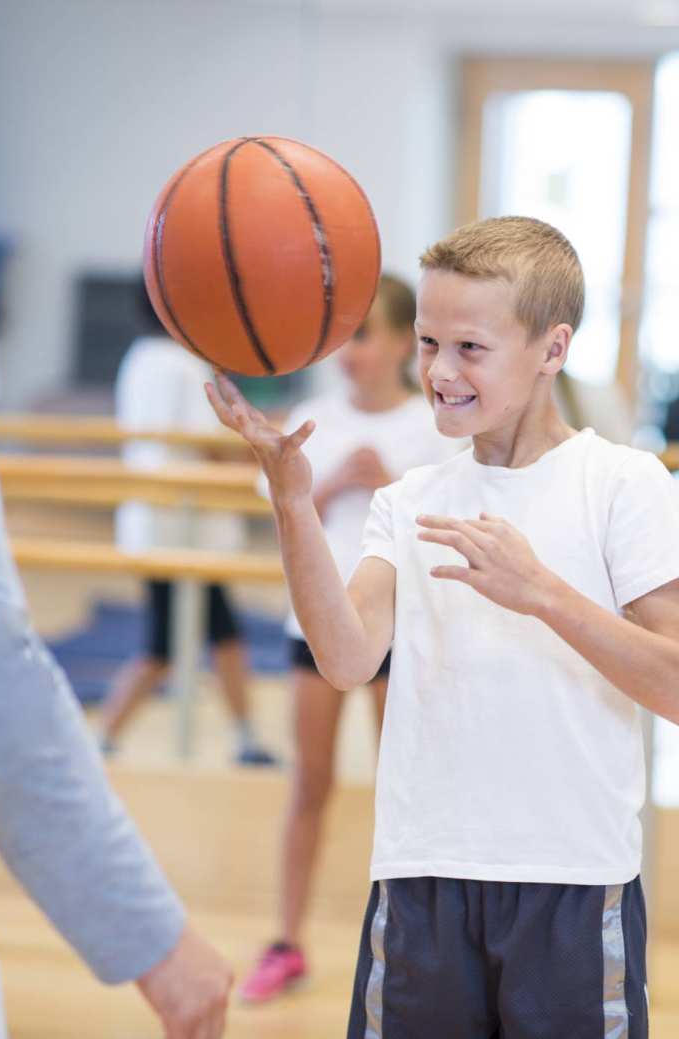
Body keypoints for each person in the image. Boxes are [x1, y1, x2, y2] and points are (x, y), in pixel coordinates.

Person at [209, 216, 679, 1038]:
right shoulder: (409, 500)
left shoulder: (623, 484)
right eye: (428, 342)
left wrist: (543, 593)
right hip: (420, 879)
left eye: (470, 348)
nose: (440, 371)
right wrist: (292, 502)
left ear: (552, 349)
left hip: (572, 881)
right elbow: (342, 656)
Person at [0, 4, 232, 1034]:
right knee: (177, 641)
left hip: (162, 530)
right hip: (170, 529)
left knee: (192, 643)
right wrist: (148, 936)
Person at [240, 274, 456, 1002]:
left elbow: (450, 525)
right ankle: (287, 939)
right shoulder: (314, 416)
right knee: (310, 781)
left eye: (362, 334)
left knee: (407, 791)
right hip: (316, 626)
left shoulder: (432, 425)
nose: (348, 351)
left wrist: (390, 478)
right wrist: (324, 485)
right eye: (341, 336)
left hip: (403, 626)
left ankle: (419, 948)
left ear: (403, 343)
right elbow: (278, 509)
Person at [99, 286, 276, 767]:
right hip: (182, 523)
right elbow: (205, 440)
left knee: (221, 632)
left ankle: (245, 737)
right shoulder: (182, 363)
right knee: (166, 644)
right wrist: (255, 463)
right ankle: (103, 736)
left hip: (163, 518)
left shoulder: (139, 358)